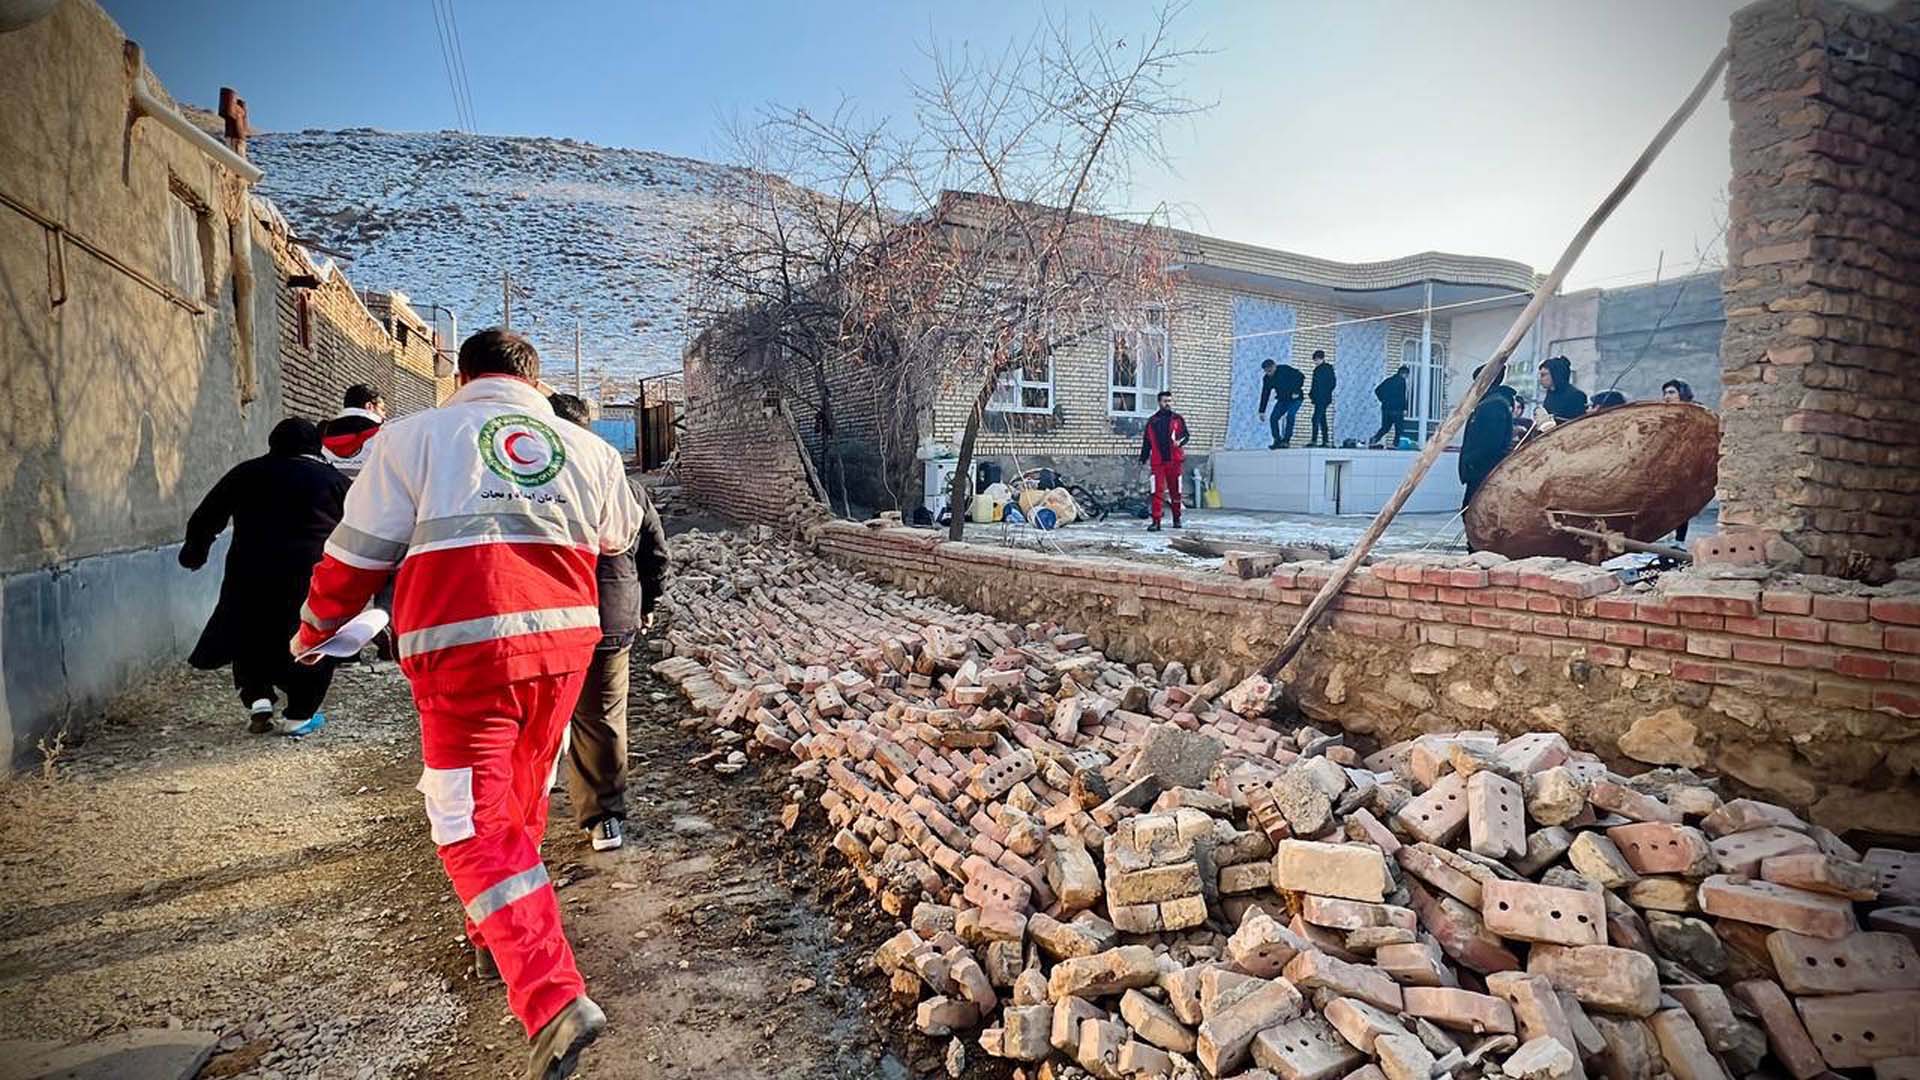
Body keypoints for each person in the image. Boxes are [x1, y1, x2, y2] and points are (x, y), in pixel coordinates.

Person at [292, 329, 641, 1080]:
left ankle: (551, 998)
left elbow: (356, 555)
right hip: (561, 652)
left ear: (459, 375)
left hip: (465, 654)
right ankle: (493, 935)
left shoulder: (413, 437)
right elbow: (619, 534)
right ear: (536, 382)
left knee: (467, 823)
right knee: (515, 803)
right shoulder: (588, 448)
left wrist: (315, 629)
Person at [547, 393, 670, 854]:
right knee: (601, 716)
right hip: (607, 614)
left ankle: (518, 809)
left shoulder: (523, 481)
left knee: (536, 708)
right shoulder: (620, 481)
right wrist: (647, 603)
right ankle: (603, 819)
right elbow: (655, 554)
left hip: (541, 615)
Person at [181, 417, 350, 736]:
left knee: (252, 631)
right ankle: (300, 714)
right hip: (309, 574)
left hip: (250, 571)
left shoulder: (245, 473)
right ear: (314, 444)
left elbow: (207, 514)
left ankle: (258, 697)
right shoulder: (332, 479)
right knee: (308, 636)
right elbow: (358, 526)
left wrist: (195, 551)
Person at [1458, 366, 1519, 511]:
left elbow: (1490, 443)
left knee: (1476, 513)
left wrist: (1471, 461)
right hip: (1479, 471)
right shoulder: (1487, 403)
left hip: (1484, 472)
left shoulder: (1493, 406)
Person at [1139, 389, 1188, 532]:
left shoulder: (1178, 419)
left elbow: (1186, 436)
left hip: (1175, 461)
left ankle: (1177, 519)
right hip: (1158, 462)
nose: (1168, 404)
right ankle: (1156, 522)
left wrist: (1180, 442)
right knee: (1157, 492)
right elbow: (1146, 442)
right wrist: (1143, 457)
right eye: (1165, 401)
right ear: (1159, 402)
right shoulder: (1152, 421)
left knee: (1176, 492)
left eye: (1169, 401)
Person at [321, 383, 386, 479]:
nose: (384, 415)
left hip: (333, 490)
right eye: (382, 409)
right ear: (369, 406)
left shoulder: (323, 430)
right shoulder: (383, 432)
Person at [1662, 379, 1698, 540]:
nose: (1667, 396)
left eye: (1671, 392)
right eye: (1665, 393)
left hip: (1686, 465)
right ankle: (1666, 536)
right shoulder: (1664, 414)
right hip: (1666, 465)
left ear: (1681, 394)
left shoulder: (1694, 413)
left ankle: (1679, 540)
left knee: (1681, 506)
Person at [1258, 358, 1305, 449]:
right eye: (1266, 371)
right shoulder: (1267, 379)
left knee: (1290, 415)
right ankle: (1277, 440)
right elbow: (1265, 394)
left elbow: (1301, 376)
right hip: (1283, 399)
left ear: (1274, 366)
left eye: (1270, 371)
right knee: (1273, 418)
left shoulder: (1284, 369)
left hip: (1295, 398)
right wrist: (1262, 411)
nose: (1269, 373)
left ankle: (1286, 440)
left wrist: (1296, 390)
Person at [1538, 355, 1588, 422]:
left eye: (1544, 375)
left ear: (1555, 375)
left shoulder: (1575, 395)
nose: (1540, 379)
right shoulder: (1551, 393)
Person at [1370, 365, 1409, 448]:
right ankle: (1395, 444)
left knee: (1385, 427)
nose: (1406, 377)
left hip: (1386, 408)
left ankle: (1374, 439)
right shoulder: (1402, 381)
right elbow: (1402, 395)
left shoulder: (1388, 380)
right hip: (1397, 409)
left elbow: (1377, 390)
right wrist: (1405, 408)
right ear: (1404, 374)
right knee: (1399, 428)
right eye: (1406, 375)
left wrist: (1383, 400)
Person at [1308, 349, 1336, 448]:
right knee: (1322, 419)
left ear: (1320, 359)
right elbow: (1314, 384)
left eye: (1316, 360)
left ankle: (1314, 440)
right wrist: (1312, 394)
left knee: (1315, 418)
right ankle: (1326, 441)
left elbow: (1332, 383)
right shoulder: (1317, 370)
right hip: (1319, 398)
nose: (1315, 362)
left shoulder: (1327, 369)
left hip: (1323, 398)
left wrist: (1324, 393)